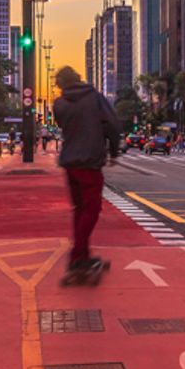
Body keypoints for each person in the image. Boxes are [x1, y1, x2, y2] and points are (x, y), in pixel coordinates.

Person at [52, 66, 122, 279]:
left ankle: (82, 254)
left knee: (79, 209)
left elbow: (63, 124)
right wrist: (113, 151)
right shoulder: (95, 98)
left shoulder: (59, 104)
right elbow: (112, 124)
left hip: (70, 162)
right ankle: (77, 257)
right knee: (92, 210)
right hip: (90, 161)